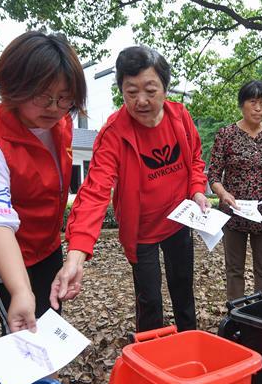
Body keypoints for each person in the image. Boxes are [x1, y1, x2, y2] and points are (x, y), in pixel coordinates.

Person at [52, 46, 209, 332]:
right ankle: (151, 356)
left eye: (151, 90)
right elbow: (95, 191)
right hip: (142, 233)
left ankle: (190, 343)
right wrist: (76, 253)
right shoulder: (114, 132)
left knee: (183, 290)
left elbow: (195, 159)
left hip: (179, 221)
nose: (141, 101)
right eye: (131, 92)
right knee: (149, 301)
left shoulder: (180, 116)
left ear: (165, 87)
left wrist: (198, 189)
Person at [0, 32, 85, 332]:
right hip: (7, 252)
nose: (54, 107)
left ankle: (50, 378)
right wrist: (19, 289)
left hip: (48, 245)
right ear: (14, 87)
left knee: (51, 322)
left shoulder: (62, 124)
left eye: (64, 97)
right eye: (42, 96)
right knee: (23, 328)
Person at [208, 81, 262, 300]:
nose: (258, 108)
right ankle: (237, 316)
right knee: (234, 270)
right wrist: (223, 194)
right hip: (234, 213)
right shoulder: (226, 134)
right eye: (253, 102)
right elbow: (213, 174)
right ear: (242, 104)